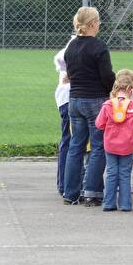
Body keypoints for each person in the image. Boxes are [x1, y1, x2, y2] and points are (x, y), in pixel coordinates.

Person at [63, 7, 115, 206]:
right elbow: (106, 75)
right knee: (98, 146)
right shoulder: (99, 47)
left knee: (75, 145)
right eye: (98, 22)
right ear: (93, 24)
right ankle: (91, 191)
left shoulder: (71, 47)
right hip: (95, 99)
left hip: (75, 99)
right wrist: (112, 86)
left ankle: (70, 192)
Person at [95, 71, 133, 212]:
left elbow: (99, 124)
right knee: (124, 173)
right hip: (127, 145)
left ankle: (109, 203)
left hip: (110, 144)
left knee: (111, 172)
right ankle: (125, 204)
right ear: (130, 89)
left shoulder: (108, 105)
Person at [53, 35, 75, 195]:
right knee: (70, 142)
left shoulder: (69, 49)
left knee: (69, 141)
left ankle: (65, 183)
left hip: (67, 99)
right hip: (69, 99)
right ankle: (66, 184)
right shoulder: (72, 49)